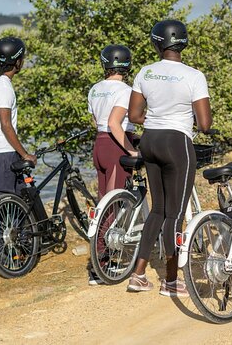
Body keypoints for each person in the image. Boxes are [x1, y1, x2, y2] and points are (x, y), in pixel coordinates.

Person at [126, 19, 211, 297]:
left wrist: (158, 118)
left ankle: (138, 275)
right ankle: (171, 281)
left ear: (157, 43)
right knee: (175, 214)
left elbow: (135, 116)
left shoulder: (145, 72)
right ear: (183, 43)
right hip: (177, 143)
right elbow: (205, 123)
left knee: (158, 210)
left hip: (150, 140)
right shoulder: (194, 75)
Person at [87, 44, 138, 286]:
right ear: (126, 65)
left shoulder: (94, 89)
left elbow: (97, 120)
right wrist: (131, 149)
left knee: (102, 203)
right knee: (112, 207)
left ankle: (98, 260)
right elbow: (115, 124)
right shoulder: (126, 91)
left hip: (99, 145)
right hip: (116, 146)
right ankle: (100, 266)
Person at [0, 36, 36, 196]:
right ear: (18, 62)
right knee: (5, 197)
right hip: (2, 150)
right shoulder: (4, 87)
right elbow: (5, 125)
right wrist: (25, 154)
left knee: (20, 195)